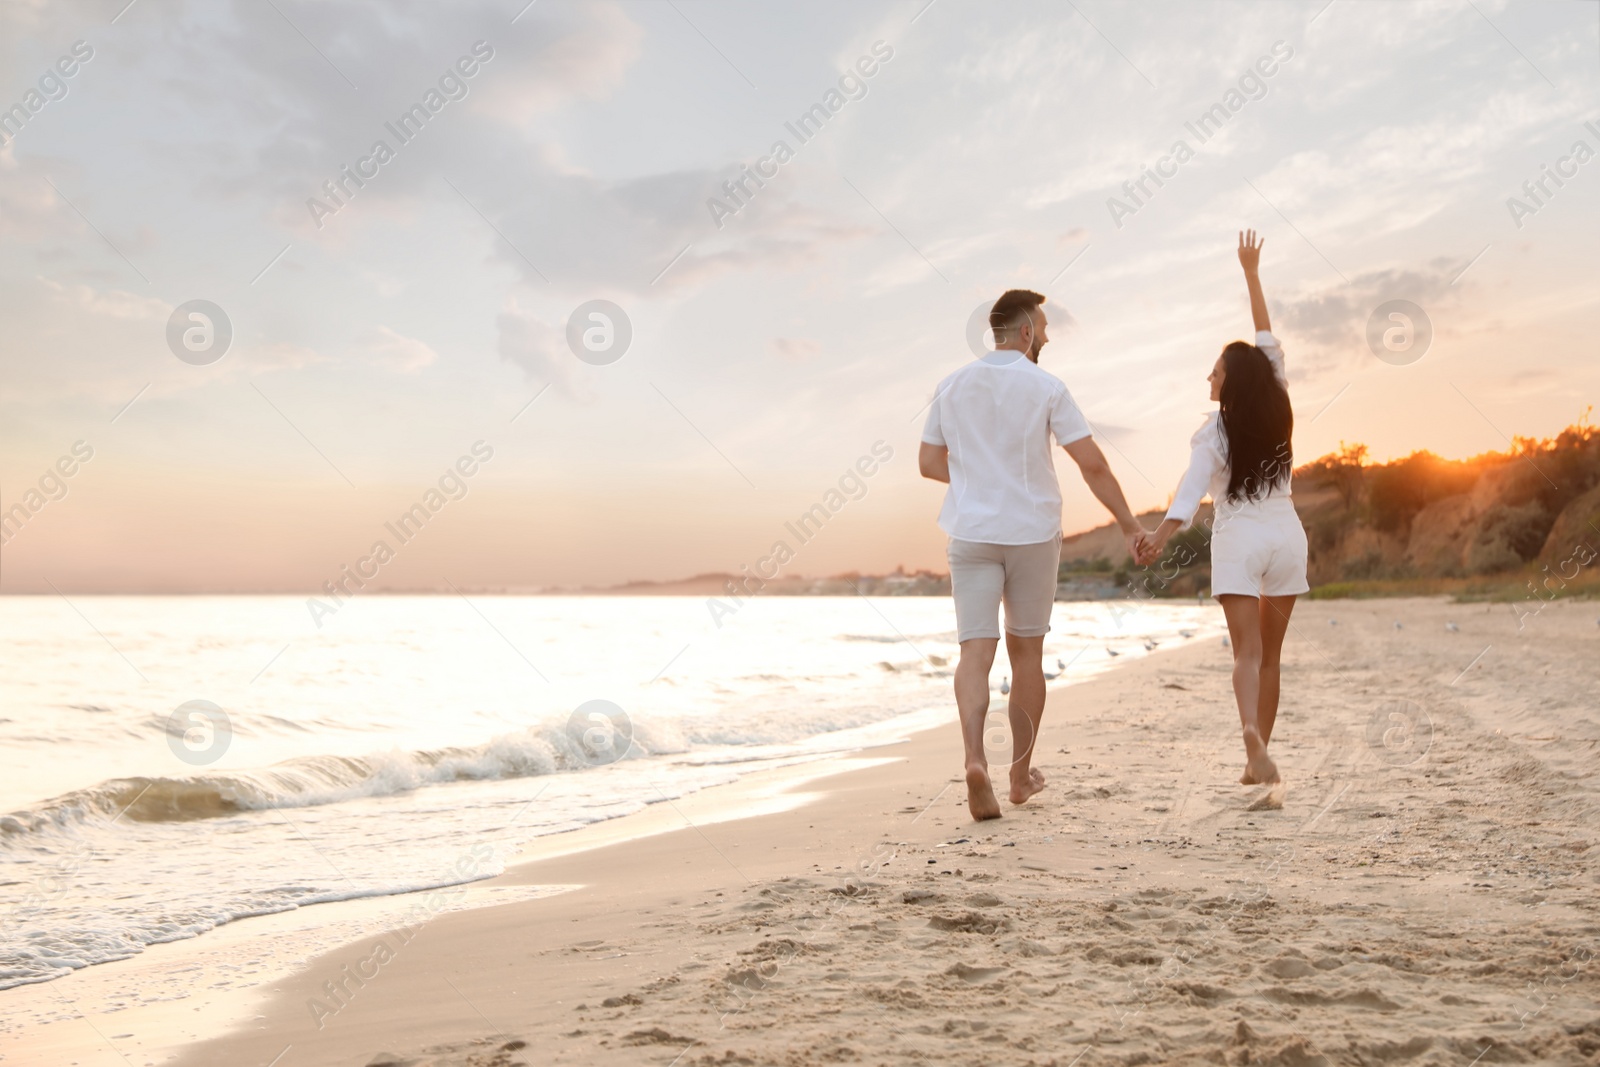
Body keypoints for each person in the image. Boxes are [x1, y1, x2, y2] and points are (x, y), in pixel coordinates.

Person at [920, 289, 1150, 821]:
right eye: (1042, 330)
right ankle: (1019, 776)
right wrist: (1129, 524)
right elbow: (1091, 464)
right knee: (1027, 656)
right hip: (1031, 534)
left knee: (974, 653)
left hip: (972, 533)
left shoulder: (950, 385)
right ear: (1024, 332)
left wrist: (979, 480)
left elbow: (929, 462)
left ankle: (975, 758)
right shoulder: (1047, 385)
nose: (1045, 338)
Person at [1138, 231, 1308, 787]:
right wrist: (1252, 272)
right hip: (1287, 537)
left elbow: (1189, 493)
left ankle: (1251, 740)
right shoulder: (1279, 398)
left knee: (1246, 655)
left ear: (1231, 380)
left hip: (1239, 541)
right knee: (1273, 657)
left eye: (1214, 371)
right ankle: (1257, 756)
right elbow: (1266, 337)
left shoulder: (1211, 434)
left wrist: (1160, 536)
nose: (1208, 377)